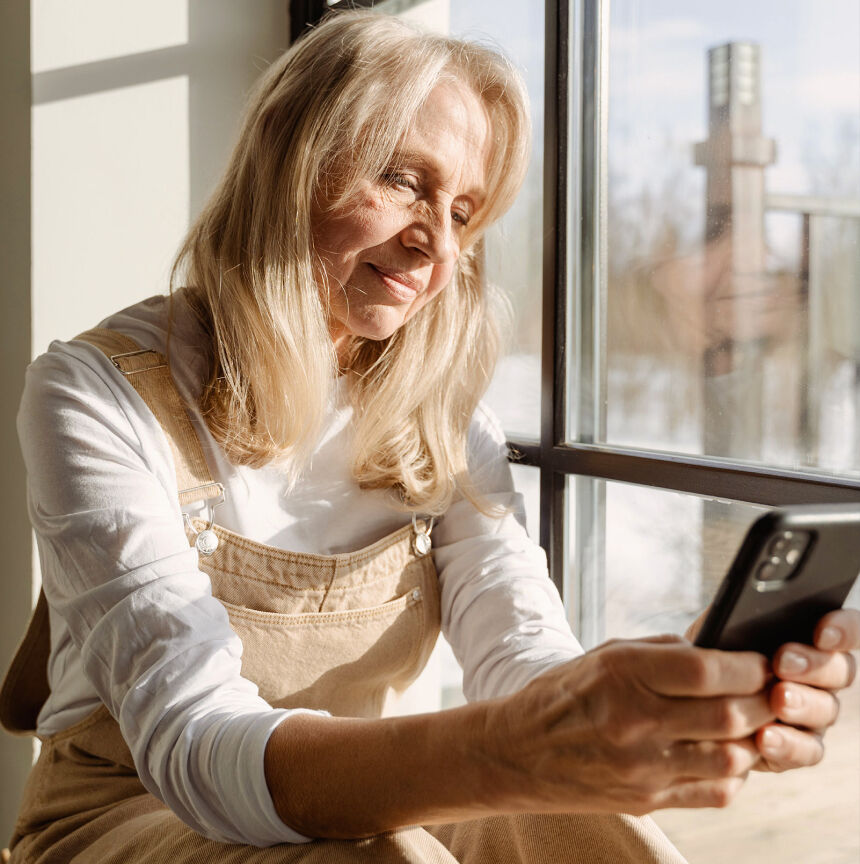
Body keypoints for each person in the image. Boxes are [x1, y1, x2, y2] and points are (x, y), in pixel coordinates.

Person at [2, 10, 858, 864]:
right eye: (405, 182)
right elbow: (193, 747)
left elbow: (522, 657)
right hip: (127, 807)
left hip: (339, 792)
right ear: (288, 160)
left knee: (600, 833)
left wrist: (672, 685)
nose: (433, 247)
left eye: (463, 211)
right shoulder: (95, 392)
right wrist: (515, 748)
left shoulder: (439, 413)